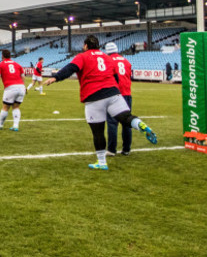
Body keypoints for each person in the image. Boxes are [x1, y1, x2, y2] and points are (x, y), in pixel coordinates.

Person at [43, 35, 157, 171]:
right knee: (125, 117)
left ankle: (102, 162)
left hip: (94, 96)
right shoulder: (107, 58)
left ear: (85, 45)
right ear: (98, 46)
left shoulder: (83, 56)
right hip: (114, 93)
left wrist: (55, 78)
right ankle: (139, 124)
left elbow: (70, 68)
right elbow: (115, 77)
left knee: (98, 132)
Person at [104, 42, 133, 157]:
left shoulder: (108, 61)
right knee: (126, 123)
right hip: (127, 94)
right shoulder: (126, 61)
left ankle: (111, 149)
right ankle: (126, 149)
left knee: (112, 122)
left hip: (114, 94)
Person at [0, 49, 26, 131]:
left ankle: (0, 125)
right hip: (21, 87)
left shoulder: (0, 65)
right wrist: (23, 86)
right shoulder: (17, 65)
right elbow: (23, 76)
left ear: (2, 56)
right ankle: (15, 126)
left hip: (10, 88)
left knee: (5, 107)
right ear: (10, 56)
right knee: (16, 107)